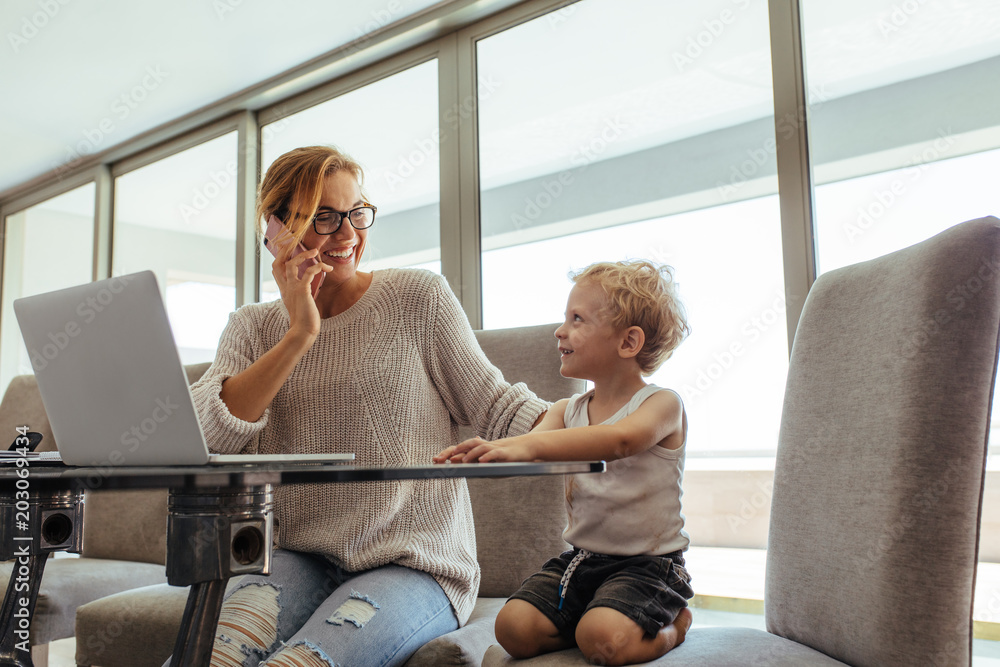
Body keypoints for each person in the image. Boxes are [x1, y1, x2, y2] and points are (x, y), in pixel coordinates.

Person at [169, 145, 548, 667]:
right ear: (277, 229)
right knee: (209, 659)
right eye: (323, 217)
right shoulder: (252, 327)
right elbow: (209, 437)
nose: (347, 235)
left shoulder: (419, 299)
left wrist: (613, 424)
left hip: (416, 565)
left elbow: (499, 407)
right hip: (294, 557)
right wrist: (300, 332)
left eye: (355, 213)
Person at [434, 259, 695, 666]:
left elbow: (619, 440)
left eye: (577, 319)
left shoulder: (662, 404)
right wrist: (484, 452)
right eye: (564, 317)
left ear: (628, 342)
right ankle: (593, 617)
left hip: (649, 566)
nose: (560, 330)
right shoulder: (566, 409)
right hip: (582, 559)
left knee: (602, 639)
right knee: (513, 628)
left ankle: (671, 628)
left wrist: (524, 447)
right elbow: (530, 445)